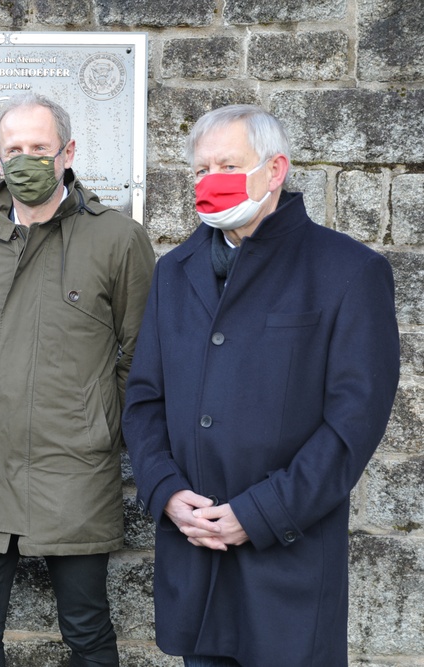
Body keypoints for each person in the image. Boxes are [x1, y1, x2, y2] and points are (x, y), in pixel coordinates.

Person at [121, 104, 401, 667]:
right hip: (195, 558)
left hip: (288, 568)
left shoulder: (347, 270)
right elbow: (144, 399)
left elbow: (353, 424)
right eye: (200, 170)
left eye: (226, 164)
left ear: (274, 170)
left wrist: (261, 513)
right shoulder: (174, 272)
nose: (209, 181)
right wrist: (167, 493)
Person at [0, 92, 156, 666]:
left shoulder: (118, 238)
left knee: (87, 630)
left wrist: (95, 419)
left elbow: (142, 355)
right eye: (14, 148)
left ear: (68, 151)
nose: (26, 158)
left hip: (76, 469)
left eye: (40, 146)